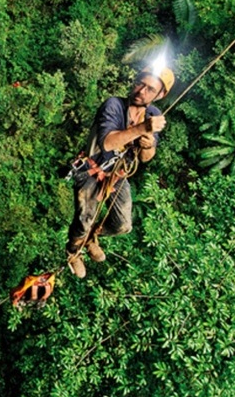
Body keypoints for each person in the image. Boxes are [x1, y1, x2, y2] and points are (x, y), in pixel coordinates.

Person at [65, 65, 174, 278]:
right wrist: (141, 129)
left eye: (150, 89)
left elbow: (146, 158)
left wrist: (147, 144)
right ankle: (72, 251)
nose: (141, 91)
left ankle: (91, 238)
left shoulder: (153, 114)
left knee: (122, 225)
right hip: (91, 170)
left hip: (117, 174)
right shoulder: (114, 105)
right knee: (84, 220)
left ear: (160, 95)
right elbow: (107, 143)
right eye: (140, 83)